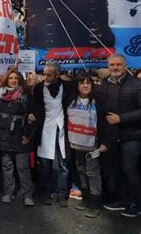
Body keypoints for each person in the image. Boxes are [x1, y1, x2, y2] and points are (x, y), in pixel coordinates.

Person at [67, 73, 116, 218]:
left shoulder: (99, 100)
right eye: (82, 83)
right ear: (77, 85)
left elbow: (109, 122)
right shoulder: (70, 99)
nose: (85, 85)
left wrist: (106, 143)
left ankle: (95, 203)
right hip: (75, 142)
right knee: (81, 170)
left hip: (93, 144)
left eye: (88, 83)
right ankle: (86, 198)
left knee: (92, 173)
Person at [98, 54, 141, 217]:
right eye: (112, 65)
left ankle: (136, 204)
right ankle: (123, 200)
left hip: (132, 135)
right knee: (117, 169)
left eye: (118, 65)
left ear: (125, 65)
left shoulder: (136, 84)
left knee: (130, 169)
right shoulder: (104, 84)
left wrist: (121, 118)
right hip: (112, 135)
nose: (115, 68)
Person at [29, 62, 71, 206]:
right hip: (45, 128)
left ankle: (61, 192)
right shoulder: (39, 88)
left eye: (49, 74)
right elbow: (33, 106)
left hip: (61, 128)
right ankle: (45, 192)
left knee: (63, 163)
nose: (45, 77)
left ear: (57, 75)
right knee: (45, 164)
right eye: (44, 73)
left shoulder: (66, 87)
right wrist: (31, 114)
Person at [0, 70, 35, 206]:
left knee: (22, 166)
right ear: (6, 79)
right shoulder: (0, 94)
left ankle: (27, 194)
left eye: (16, 78)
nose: (13, 80)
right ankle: (8, 192)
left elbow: (32, 116)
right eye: (11, 78)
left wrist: (28, 135)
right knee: (7, 165)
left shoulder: (26, 94)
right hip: (4, 134)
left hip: (21, 134)